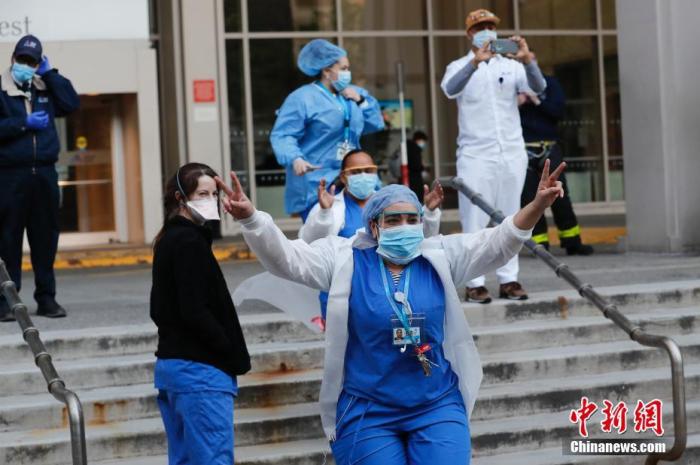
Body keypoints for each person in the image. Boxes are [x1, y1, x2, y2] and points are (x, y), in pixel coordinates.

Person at [219, 159, 565, 465]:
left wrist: (537, 205)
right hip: (367, 409)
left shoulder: (440, 256)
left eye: (412, 219)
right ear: (374, 226)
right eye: (394, 219)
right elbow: (288, 260)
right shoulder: (344, 258)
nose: (404, 226)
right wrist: (252, 219)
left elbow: (499, 242)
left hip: (436, 404)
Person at [440, 9, 547, 304]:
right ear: (469, 34)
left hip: (511, 151)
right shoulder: (458, 65)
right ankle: (474, 283)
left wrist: (528, 60)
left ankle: (508, 279)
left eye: (490, 26)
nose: (486, 31)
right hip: (476, 154)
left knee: (512, 217)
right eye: (480, 27)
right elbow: (450, 89)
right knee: (474, 219)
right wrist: (475, 63)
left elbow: (538, 87)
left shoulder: (511, 65)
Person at [150, 163, 251, 465]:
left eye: (214, 194)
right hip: (201, 371)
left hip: (174, 368)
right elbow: (194, 310)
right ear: (180, 198)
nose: (211, 200)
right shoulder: (189, 241)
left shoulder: (170, 238)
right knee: (212, 459)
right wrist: (228, 350)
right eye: (202, 194)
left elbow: (161, 307)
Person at [300, 148, 444, 324]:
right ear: (343, 177)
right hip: (343, 290)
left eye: (368, 170)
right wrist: (324, 213)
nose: (363, 176)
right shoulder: (330, 205)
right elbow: (310, 246)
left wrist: (429, 212)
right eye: (356, 172)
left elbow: (422, 241)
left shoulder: (393, 202)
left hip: (388, 289)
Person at [0, 35, 79, 322]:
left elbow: (71, 103)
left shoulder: (45, 86)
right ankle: (6, 302)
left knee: (45, 239)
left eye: (32, 61)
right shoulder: (1, 89)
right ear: (13, 58)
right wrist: (23, 123)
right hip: (10, 175)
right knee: (7, 239)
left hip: (44, 173)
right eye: (22, 59)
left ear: (38, 63)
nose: (26, 65)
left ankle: (47, 299)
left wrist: (50, 74)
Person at [270, 39, 385, 222]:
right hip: (316, 179)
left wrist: (361, 102)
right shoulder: (302, 98)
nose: (347, 73)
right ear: (326, 71)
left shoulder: (354, 93)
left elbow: (375, 123)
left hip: (352, 177)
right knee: (324, 231)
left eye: (348, 68)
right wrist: (295, 158)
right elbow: (283, 134)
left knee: (358, 228)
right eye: (343, 68)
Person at [518, 69, 594, 255]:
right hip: (521, 149)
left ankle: (572, 241)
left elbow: (558, 111)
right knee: (530, 199)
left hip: (549, 147)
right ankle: (539, 245)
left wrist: (536, 100)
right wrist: (516, 103)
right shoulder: (512, 86)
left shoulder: (549, 84)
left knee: (560, 195)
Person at [388, 131, 430, 200]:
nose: (423, 144)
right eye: (423, 141)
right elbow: (416, 165)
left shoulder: (406, 147)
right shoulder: (415, 149)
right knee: (415, 198)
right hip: (413, 180)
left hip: (404, 178)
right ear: (419, 139)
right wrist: (422, 166)